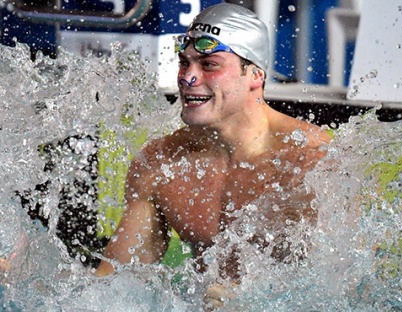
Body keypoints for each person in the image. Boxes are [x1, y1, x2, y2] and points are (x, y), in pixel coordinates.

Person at [95, 3, 331, 309]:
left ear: (255, 75)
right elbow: (113, 284)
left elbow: (352, 285)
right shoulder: (161, 163)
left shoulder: (309, 159)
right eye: (185, 63)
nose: (187, 78)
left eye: (209, 65)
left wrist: (255, 302)